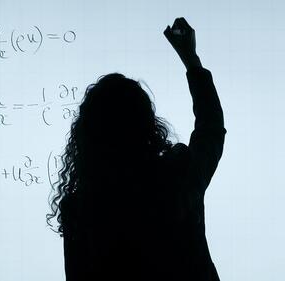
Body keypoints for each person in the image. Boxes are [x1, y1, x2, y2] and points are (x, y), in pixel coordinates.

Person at [47, 17, 226, 281]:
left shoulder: (80, 209)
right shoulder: (178, 177)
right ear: (149, 126)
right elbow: (210, 130)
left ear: (88, 136)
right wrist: (191, 59)